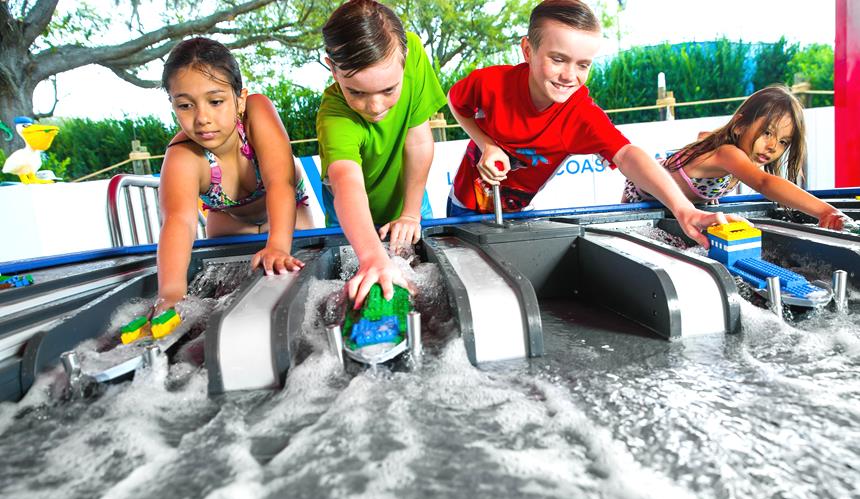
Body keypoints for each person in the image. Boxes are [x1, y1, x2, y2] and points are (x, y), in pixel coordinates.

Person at [446, 0, 738, 246]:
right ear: (527, 50)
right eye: (558, 59)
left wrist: (684, 209)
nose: (569, 76)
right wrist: (487, 145)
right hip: (463, 205)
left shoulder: (580, 115)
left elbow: (626, 154)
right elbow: (456, 103)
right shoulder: (491, 83)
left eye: (583, 64)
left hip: (521, 210)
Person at [155, 37, 312, 314]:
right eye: (185, 106)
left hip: (289, 210)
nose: (202, 117)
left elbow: (279, 182)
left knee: (298, 283)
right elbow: (178, 222)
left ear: (239, 99)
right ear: (172, 105)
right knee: (230, 295)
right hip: (230, 223)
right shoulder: (182, 155)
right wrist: (170, 294)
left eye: (215, 101)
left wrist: (276, 245)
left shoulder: (256, 112)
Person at [316, 0, 447, 307]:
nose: (375, 107)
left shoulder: (411, 51)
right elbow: (346, 182)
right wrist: (372, 255)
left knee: (425, 280)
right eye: (356, 92)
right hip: (349, 212)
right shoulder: (333, 116)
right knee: (351, 282)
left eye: (389, 90)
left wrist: (410, 213)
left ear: (405, 59)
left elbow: (417, 139)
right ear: (332, 68)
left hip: (407, 196)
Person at [622, 85, 848, 230]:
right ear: (739, 125)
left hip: (675, 196)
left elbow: (704, 136)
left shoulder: (731, 150)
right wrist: (825, 210)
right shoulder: (729, 153)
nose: (772, 147)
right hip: (642, 192)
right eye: (767, 132)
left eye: (783, 142)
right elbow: (764, 182)